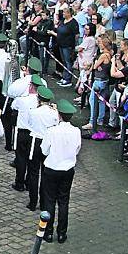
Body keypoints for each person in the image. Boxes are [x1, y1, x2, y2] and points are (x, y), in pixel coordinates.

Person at [40, 100, 81, 243]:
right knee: (64, 201)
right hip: (68, 170)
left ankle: (48, 232)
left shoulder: (51, 131)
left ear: (59, 115)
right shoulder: (76, 131)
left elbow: (44, 150)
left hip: (51, 169)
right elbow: (77, 150)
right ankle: (62, 233)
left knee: (49, 200)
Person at [27, 86, 59, 211]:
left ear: (39, 99)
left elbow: (30, 124)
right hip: (48, 142)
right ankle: (44, 202)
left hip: (35, 141)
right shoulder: (54, 113)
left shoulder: (33, 111)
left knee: (33, 173)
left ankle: (32, 202)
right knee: (45, 173)